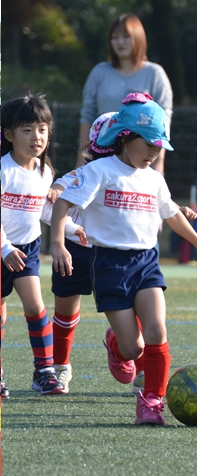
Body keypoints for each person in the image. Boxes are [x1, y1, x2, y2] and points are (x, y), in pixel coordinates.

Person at [49, 93, 197, 425]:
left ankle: (152, 401)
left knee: (157, 330)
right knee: (133, 349)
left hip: (146, 263)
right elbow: (62, 204)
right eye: (150, 145)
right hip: (109, 266)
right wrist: (58, 243)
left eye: (160, 148)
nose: (155, 153)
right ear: (125, 138)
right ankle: (116, 344)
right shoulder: (100, 171)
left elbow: (171, 214)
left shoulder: (154, 179)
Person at [1, 93, 86, 396]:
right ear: (9, 135)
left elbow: (45, 210)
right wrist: (5, 249)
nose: (36, 137)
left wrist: (74, 229)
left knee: (36, 308)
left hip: (28, 249)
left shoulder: (44, 170)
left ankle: (44, 372)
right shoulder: (3, 170)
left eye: (42, 129)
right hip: (3, 249)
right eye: (26, 130)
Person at [77, 14, 172, 175]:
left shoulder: (155, 74)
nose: (120, 42)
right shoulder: (99, 72)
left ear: (139, 38)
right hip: (102, 159)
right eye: (115, 37)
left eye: (126, 36)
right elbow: (87, 116)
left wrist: (158, 163)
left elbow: (163, 124)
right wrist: (81, 160)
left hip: (139, 161)